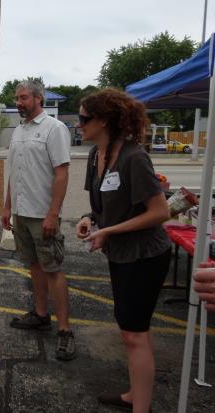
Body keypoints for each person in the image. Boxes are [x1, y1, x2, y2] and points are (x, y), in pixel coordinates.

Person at [75, 89, 172, 413]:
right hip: (120, 253)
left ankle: (139, 406)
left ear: (103, 121)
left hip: (146, 256)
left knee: (135, 334)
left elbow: (160, 212)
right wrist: (90, 221)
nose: (79, 125)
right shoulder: (95, 155)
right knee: (127, 328)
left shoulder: (134, 157)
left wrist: (109, 231)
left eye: (84, 119)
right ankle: (133, 394)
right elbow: (101, 207)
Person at [0, 79, 76, 361]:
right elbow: (14, 173)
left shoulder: (54, 129)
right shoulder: (18, 131)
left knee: (53, 269)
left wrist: (53, 214)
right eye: (17, 98)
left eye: (23, 98)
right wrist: (7, 208)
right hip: (21, 212)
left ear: (38, 98)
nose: (18, 103)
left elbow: (62, 173)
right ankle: (41, 315)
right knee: (34, 265)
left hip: (43, 214)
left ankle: (65, 331)